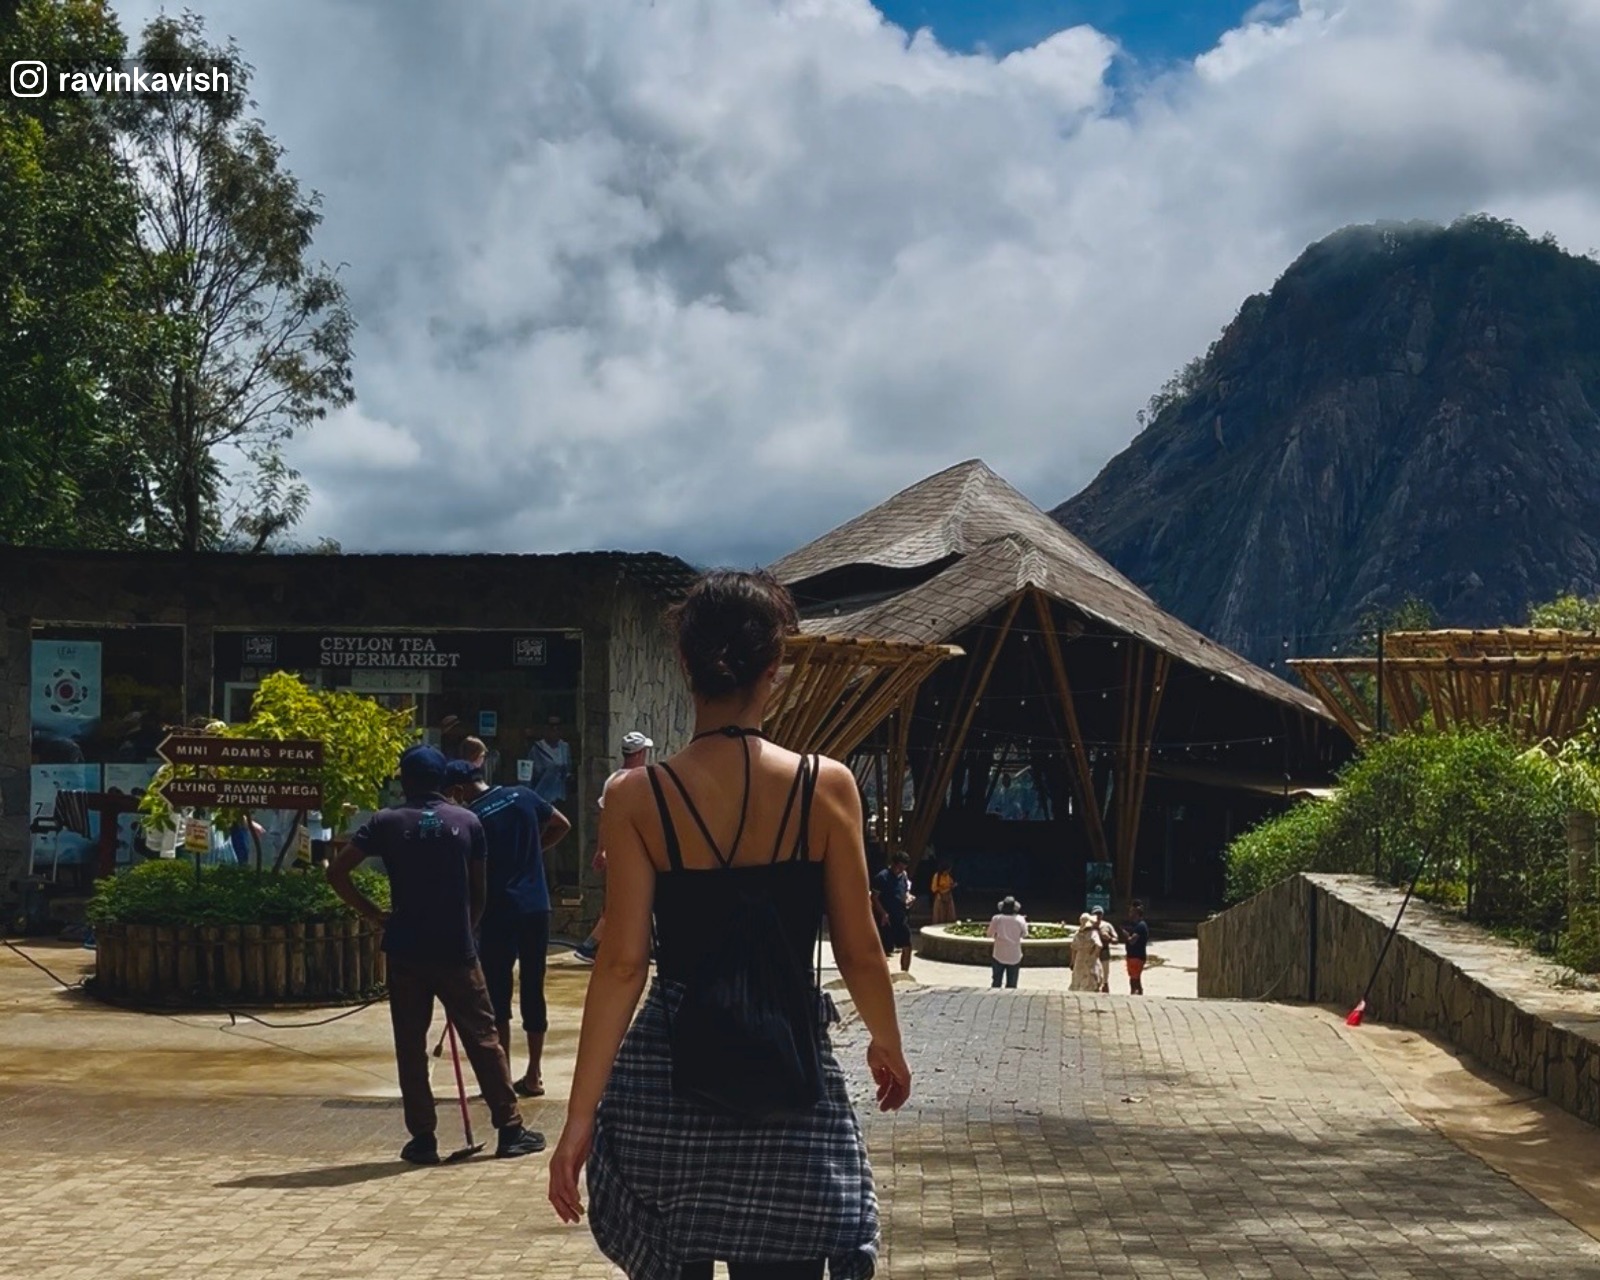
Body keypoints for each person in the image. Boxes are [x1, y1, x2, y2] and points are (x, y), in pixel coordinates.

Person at [547, 569, 910, 1279]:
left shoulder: (635, 796)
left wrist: (579, 1116)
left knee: (671, 1242)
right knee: (791, 1248)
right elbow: (861, 949)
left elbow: (622, 965)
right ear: (775, 670)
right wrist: (886, 1044)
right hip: (787, 1063)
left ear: (684, 664)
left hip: (670, 1074)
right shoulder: (826, 785)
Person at [328, 745, 545, 1165]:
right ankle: (510, 1128)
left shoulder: (385, 822)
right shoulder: (468, 821)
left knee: (410, 1044)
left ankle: (423, 1138)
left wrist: (375, 915)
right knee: (484, 1039)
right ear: (443, 780)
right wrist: (468, 928)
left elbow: (337, 872)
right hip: (456, 948)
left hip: (406, 948)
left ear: (405, 780)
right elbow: (478, 890)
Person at [444, 757, 571, 1097]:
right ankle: (534, 1074)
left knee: (498, 994)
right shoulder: (523, 795)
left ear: (459, 789)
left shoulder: (473, 818)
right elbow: (562, 824)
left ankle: (503, 1078)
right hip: (536, 907)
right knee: (534, 987)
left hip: (499, 911)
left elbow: (469, 869)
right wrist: (532, 850)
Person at [573, 730, 653, 965]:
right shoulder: (641, 781)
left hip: (622, 850)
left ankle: (638, 949)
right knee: (622, 901)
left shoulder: (613, 780)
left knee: (629, 900)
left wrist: (601, 849)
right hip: (634, 852)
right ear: (640, 753)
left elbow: (604, 818)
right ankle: (590, 946)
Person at [871, 850, 915, 973]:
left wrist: (908, 898)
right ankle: (881, 975)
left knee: (907, 945)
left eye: (903, 868)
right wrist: (883, 913)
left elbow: (905, 891)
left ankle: (905, 972)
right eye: (899, 867)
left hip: (900, 916)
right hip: (885, 918)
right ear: (893, 864)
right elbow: (874, 897)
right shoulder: (882, 877)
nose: (900, 870)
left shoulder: (903, 876)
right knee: (884, 949)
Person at [527, 715, 574, 808]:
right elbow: (530, 775)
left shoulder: (564, 747)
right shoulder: (537, 748)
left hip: (560, 797)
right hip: (542, 796)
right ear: (545, 728)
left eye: (558, 726)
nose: (554, 729)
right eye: (551, 726)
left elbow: (568, 769)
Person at [986, 896, 1028, 989]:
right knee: (1012, 984)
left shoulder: (996, 919)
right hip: (1014, 954)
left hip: (999, 953)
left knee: (996, 982)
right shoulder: (1020, 919)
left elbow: (989, 933)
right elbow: (1025, 934)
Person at [1122, 899, 1150, 996]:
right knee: (1135, 978)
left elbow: (1132, 941)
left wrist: (1125, 935)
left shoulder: (1140, 926)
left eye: (1131, 912)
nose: (1129, 914)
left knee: (1134, 979)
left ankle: (1135, 994)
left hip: (1137, 956)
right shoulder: (1136, 925)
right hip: (1132, 955)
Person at [1069, 913, 1103, 993]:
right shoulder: (1093, 934)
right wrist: (1095, 954)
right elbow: (1099, 945)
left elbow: (1073, 948)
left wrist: (1072, 961)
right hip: (1089, 958)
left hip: (1079, 958)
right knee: (1090, 977)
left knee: (1078, 977)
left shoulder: (1077, 934)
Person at [1091, 908, 1117, 993]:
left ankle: (1105, 987)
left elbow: (1116, 939)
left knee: (1105, 973)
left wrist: (1108, 938)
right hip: (1091, 952)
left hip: (1104, 952)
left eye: (1099, 914)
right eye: (1095, 914)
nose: (1097, 916)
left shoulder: (1107, 925)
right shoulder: (1088, 925)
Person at [930, 858, 958, 925]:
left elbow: (951, 883)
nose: (947, 872)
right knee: (940, 915)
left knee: (949, 915)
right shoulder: (937, 876)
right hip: (940, 896)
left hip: (948, 896)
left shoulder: (948, 876)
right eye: (947, 870)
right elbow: (934, 888)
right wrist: (940, 892)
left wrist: (952, 886)